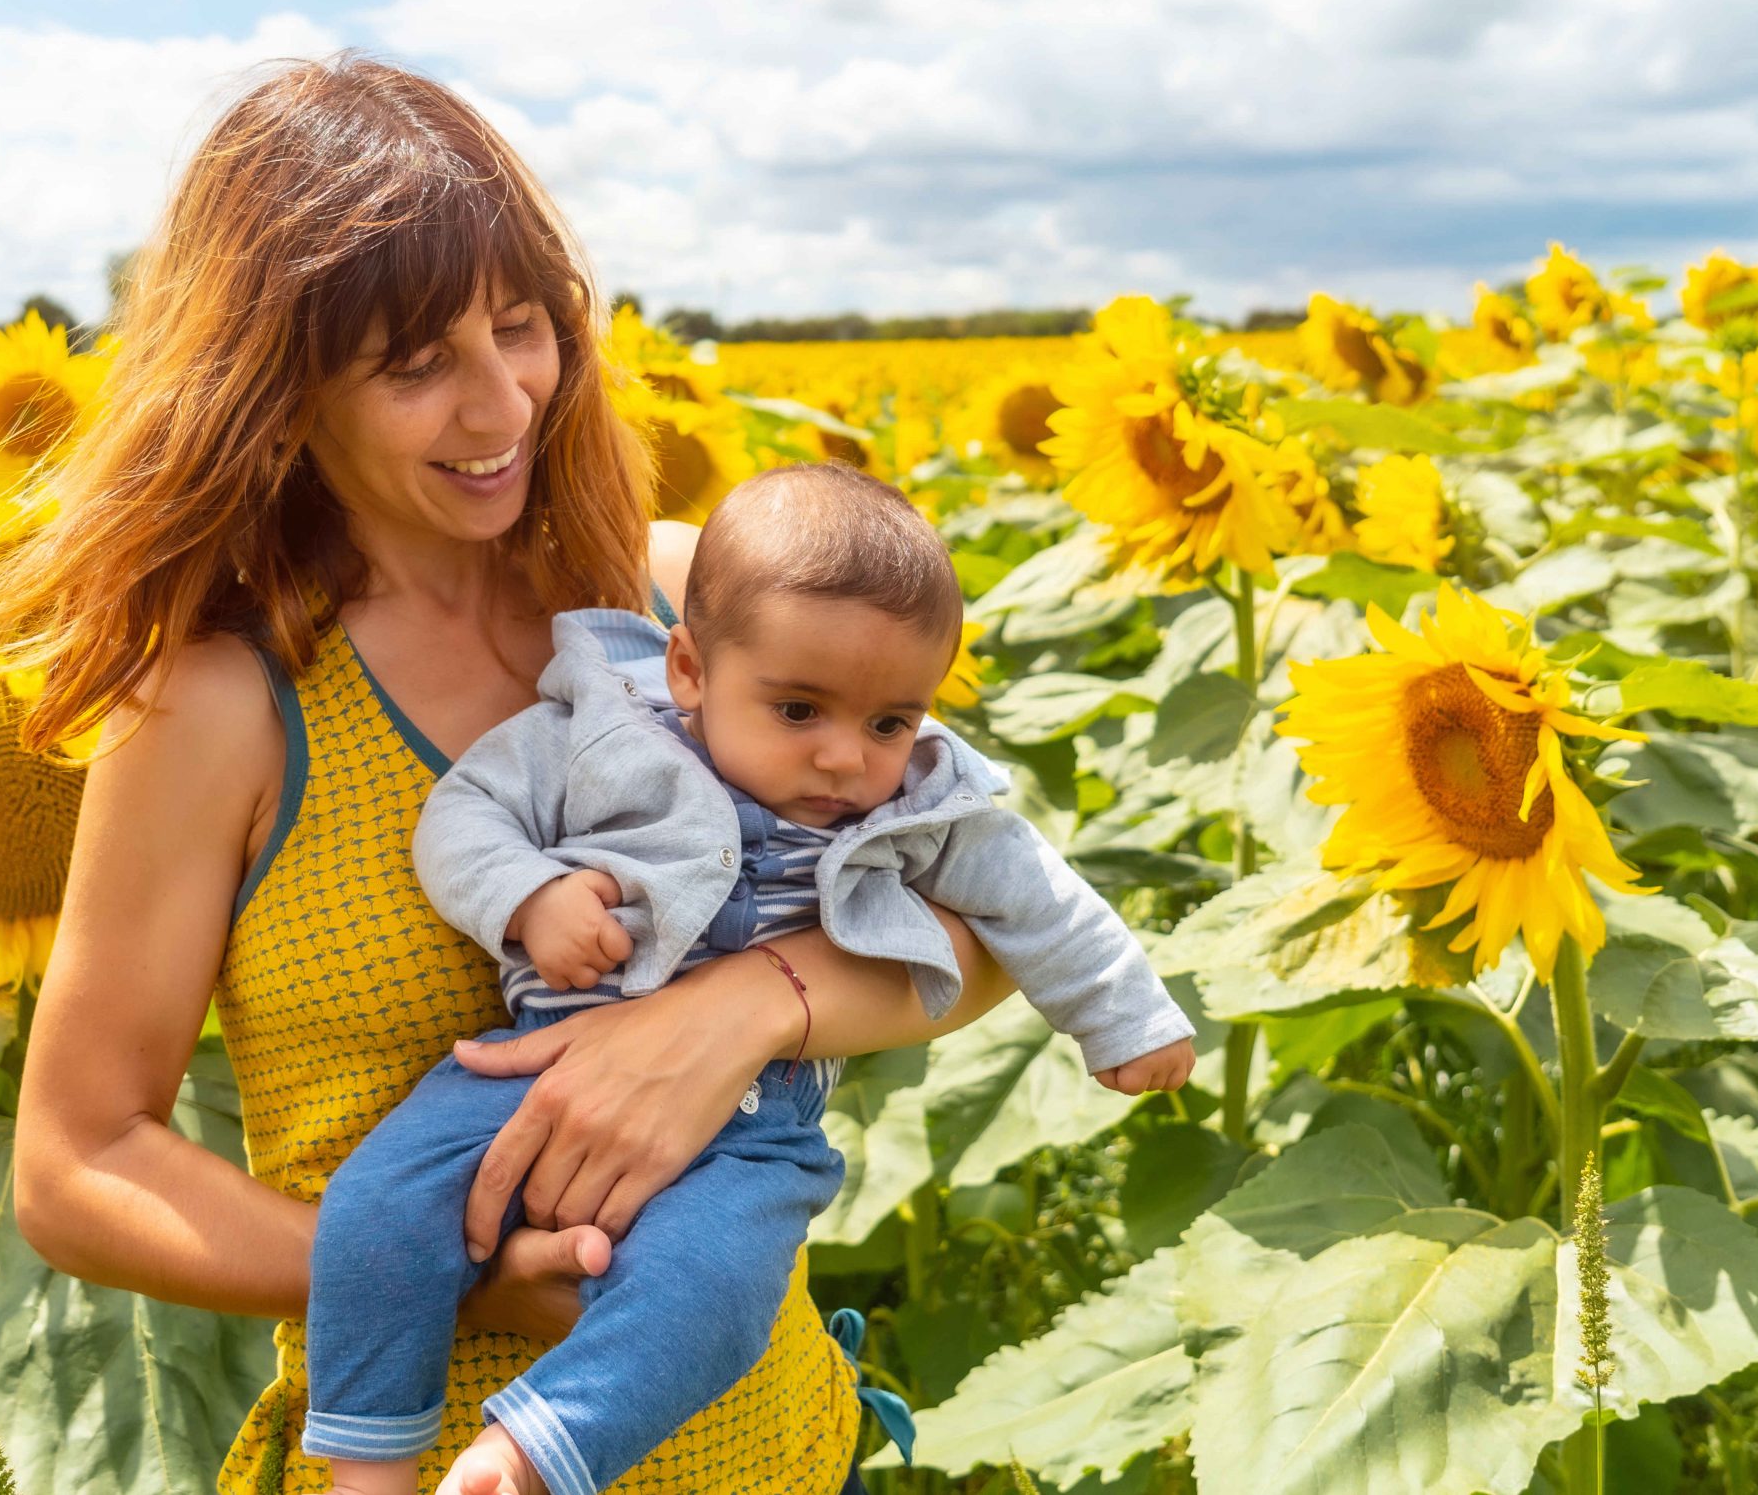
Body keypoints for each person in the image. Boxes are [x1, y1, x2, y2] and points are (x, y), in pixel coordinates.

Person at [0, 51, 1023, 1495]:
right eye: (418, 368)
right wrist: (449, 1274)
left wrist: (739, 1010)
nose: (502, 406)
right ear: (284, 389)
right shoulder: (223, 702)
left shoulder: (679, 608)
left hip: (780, 1450)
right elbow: (78, 1164)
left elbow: (989, 927)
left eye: (522, 328)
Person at [302, 462, 1198, 1495]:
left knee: (717, 1290)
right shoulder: (600, 736)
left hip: (755, 1127)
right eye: (799, 710)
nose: (843, 761)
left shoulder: (912, 804)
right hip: (525, 1067)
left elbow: (1033, 890)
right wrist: (527, 901)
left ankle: (535, 1454)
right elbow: (466, 815)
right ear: (687, 669)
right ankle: (368, 1461)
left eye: (887, 722)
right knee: (377, 1204)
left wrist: (1125, 1017)